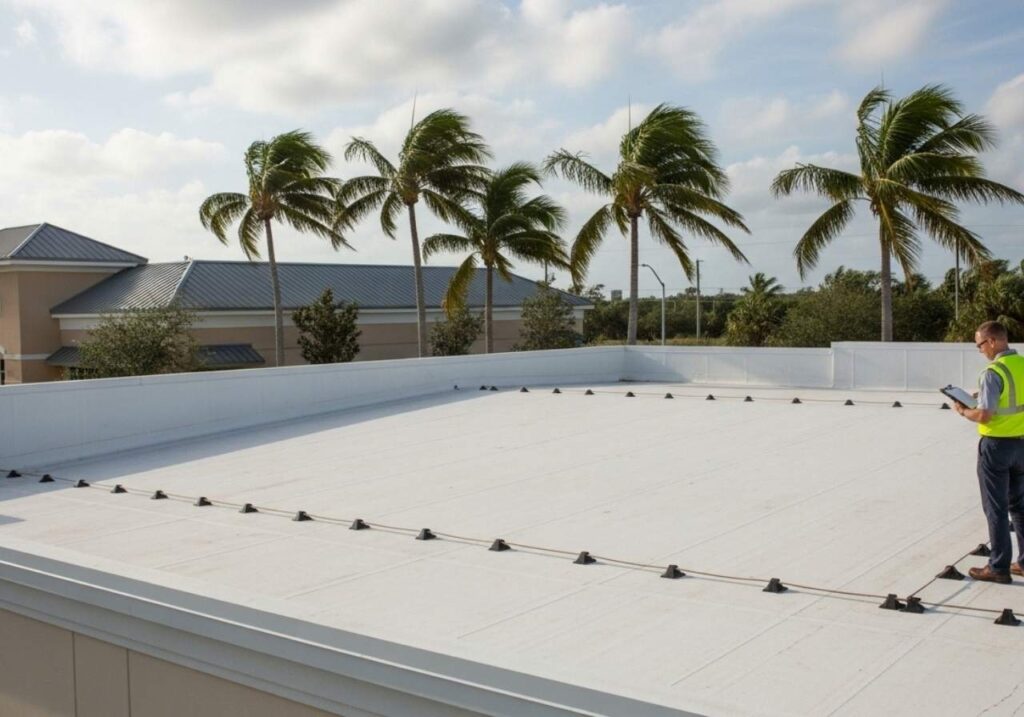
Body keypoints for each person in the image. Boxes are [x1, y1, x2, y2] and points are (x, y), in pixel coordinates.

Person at [953, 320, 1024, 583]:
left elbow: (984, 415)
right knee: (1020, 506)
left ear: (992, 341)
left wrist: (963, 410)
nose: (980, 349)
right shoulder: (1021, 365)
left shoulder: (993, 372)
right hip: (1021, 444)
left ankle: (998, 567)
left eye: (980, 344)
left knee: (995, 508)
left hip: (996, 447)